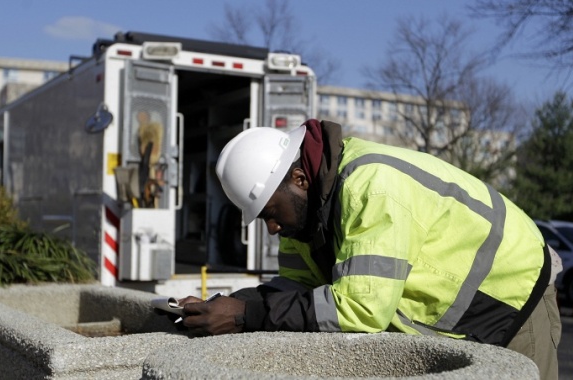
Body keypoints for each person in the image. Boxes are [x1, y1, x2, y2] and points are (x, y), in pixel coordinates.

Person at [177, 119, 562, 379]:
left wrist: (246, 315)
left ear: (300, 179)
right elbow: (295, 291)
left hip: (513, 299)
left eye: (271, 213)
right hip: (461, 319)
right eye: (263, 218)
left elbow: (359, 310)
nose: (273, 227)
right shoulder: (304, 219)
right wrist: (224, 308)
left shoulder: (372, 187)